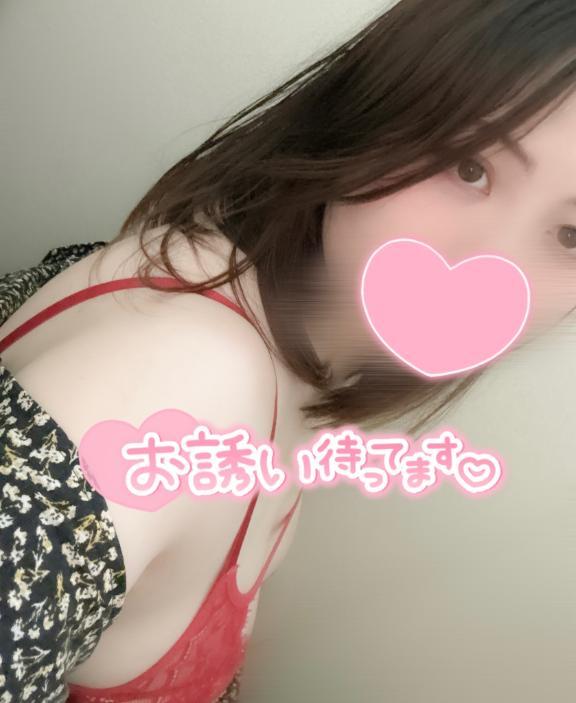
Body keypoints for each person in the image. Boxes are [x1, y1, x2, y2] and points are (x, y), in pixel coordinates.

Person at [2, 0, 576, 700]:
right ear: (380, 106)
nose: (492, 267)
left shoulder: (278, 329)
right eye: (468, 166)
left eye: (571, 236)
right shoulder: (176, 387)